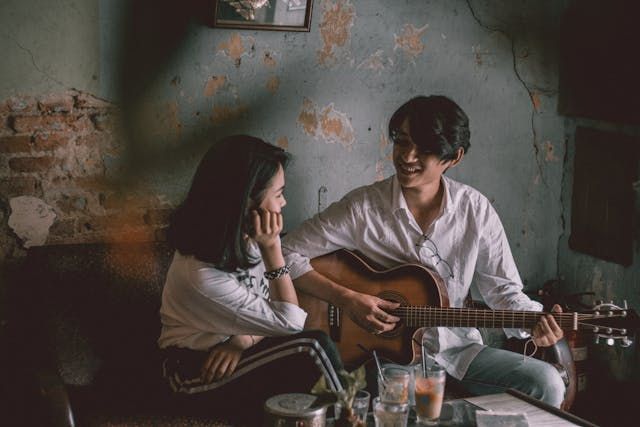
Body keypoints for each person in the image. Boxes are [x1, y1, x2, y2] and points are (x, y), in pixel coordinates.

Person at [282, 96, 566, 407]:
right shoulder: (363, 208)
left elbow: (503, 291)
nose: (407, 156)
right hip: (389, 359)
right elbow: (285, 253)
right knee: (405, 406)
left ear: (454, 157)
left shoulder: (475, 210)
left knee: (546, 382)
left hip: (461, 352)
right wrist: (348, 299)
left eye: (425, 150)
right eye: (402, 142)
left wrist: (533, 321)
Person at [158, 135, 343, 424]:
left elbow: (277, 312)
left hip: (241, 352)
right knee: (312, 347)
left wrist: (242, 340)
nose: (284, 202)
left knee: (361, 367)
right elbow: (291, 323)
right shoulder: (200, 274)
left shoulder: (245, 236)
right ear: (246, 200)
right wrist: (272, 249)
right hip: (195, 372)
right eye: (279, 193)